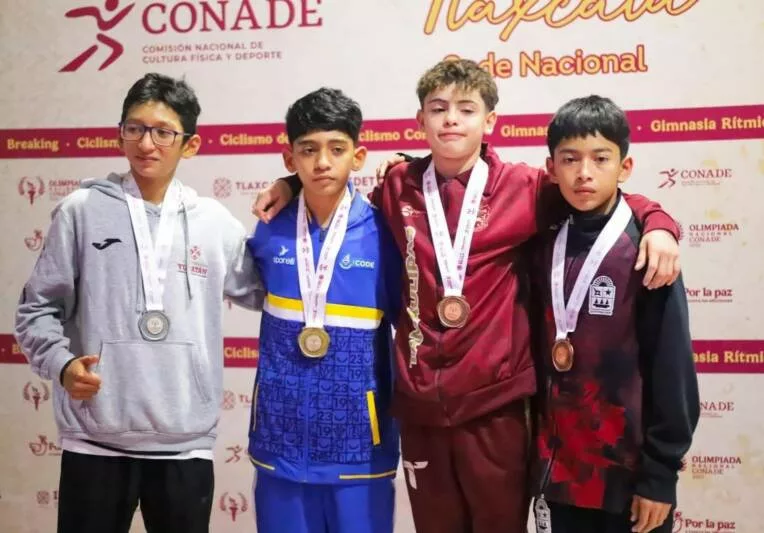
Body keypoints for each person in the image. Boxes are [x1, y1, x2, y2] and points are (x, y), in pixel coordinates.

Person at [252, 59, 682, 532]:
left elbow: (598, 194)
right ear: (420, 120)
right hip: (420, 409)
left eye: (466, 109)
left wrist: (658, 220)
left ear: (490, 120)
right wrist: (291, 183)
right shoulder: (397, 186)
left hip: (494, 407)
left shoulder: (524, 187)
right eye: (438, 109)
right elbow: (333, 190)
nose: (451, 119)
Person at [14, 72, 264, 533]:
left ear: (190, 144)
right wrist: (63, 365)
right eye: (135, 128)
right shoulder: (81, 210)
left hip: (184, 443)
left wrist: (293, 189)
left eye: (163, 132)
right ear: (120, 134)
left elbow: (271, 290)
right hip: (94, 439)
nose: (147, 143)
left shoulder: (214, 223)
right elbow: (36, 309)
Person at [529, 95, 699, 533]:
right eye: (570, 159)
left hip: (628, 479)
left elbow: (672, 369)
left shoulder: (646, 249)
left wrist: (660, 476)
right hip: (559, 476)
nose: (584, 172)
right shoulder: (542, 239)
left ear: (624, 167)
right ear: (551, 168)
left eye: (600, 158)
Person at [246, 87, 401, 533]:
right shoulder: (270, 226)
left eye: (337, 149)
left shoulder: (385, 231)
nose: (322, 163)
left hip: (360, 446)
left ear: (358, 156)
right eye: (308, 150)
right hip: (280, 442)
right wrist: (288, 187)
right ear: (289, 158)